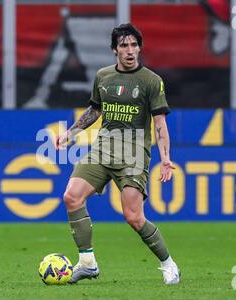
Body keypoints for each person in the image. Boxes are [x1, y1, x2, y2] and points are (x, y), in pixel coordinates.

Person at [55, 23, 180, 285]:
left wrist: (166, 158)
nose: (130, 50)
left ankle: (168, 264)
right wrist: (71, 133)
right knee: (71, 196)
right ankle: (87, 262)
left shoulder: (151, 81)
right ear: (115, 50)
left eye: (134, 45)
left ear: (140, 48)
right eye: (124, 45)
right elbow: (94, 111)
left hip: (133, 152)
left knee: (133, 217)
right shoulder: (103, 76)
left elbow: (159, 124)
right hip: (103, 148)